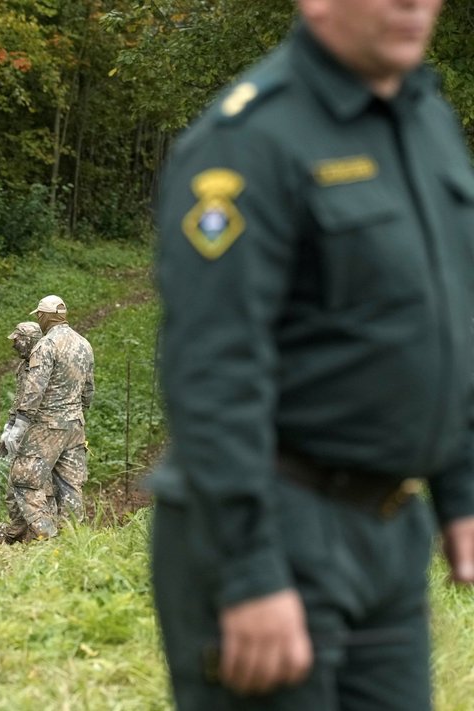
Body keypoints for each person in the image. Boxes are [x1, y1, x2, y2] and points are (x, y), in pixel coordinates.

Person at [150, 1, 474, 707]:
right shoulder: (248, 140)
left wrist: (461, 487)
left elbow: (441, 324)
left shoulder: (426, 122)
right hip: (276, 519)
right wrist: (251, 571)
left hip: (390, 531)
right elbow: (212, 368)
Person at [0, 296, 95, 539]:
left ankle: (48, 536)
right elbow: (88, 390)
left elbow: (34, 389)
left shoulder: (46, 345)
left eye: (38, 315)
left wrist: (17, 427)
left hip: (46, 427)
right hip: (74, 425)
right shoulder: (84, 344)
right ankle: (73, 539)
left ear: (44, 316)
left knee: (24, 480)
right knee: (70, 487)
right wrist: (75, 410)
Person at [0, 321, 50, 543]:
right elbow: (20, 401)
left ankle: (42, 534)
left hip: (40, 435)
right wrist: (9, 429)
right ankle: (19, 532)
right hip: (24, 435)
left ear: (28, 341)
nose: (14, 346)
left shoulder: (44, 365)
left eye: (17, 341)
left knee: (34, 487)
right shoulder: (23, 368)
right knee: (14, 488)